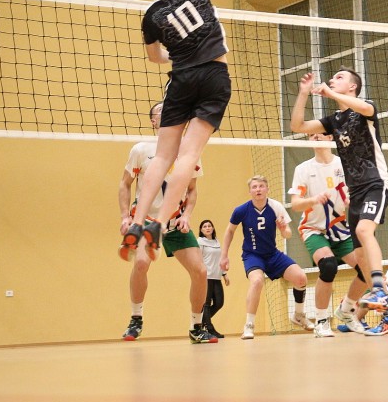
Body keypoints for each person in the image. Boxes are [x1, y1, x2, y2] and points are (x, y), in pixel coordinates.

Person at [119, 0, 231, 263]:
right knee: (188, 155)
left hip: (181, 79)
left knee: (162, 156)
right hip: (214, 75)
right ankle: (159, 224)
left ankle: (138, 221)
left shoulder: (151, 16)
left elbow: (155, 58)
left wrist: (173, 54)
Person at [290, 68, 388, 337]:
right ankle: (352, 309)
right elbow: (298, 126)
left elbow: (364, 108)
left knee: (364, 230)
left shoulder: (366, 108)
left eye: (339, 77)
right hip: (356, 192)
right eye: (332, 78)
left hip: (375, 183)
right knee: (361, 259)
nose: (333, 80)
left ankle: (379, 290)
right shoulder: (334, 121)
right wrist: (303, 94)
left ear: (352, 87)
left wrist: (328, 93)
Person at [118, 102, 216, 343]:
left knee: (201, 271)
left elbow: (192, 189)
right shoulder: (141, 149)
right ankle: (136, 319)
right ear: (153, 122)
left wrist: (187, 216)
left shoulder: (190, 150)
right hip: (147, 221)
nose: (166, 111)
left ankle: (196, 327)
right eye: (159, 111)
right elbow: (125, 184)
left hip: (174, 223)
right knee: (141, 263)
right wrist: (125, 216)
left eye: (168, 108)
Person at [288, 132, 371, 338]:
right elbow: (296, 204)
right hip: (313, 229)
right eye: (311, 135)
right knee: (328, 266)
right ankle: (322, 321)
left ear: (330, 138)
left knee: (367, 269)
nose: (315, 137)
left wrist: (353, 202)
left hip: (341, 228)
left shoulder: (344, 164)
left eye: (320, 134)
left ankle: (346, 309)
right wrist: (313, 199)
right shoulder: (303, 169)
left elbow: (355, 193)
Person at [221, 176, 308, 340]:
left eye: (261, 186)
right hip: (252, 255)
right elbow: (230, 231)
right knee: (257, 281)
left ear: (267, 189)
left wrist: (282, 228)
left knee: (301, 278)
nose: (258, 189)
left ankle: (298, 315)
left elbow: (288, 234)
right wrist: (224, 255)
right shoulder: (241, 210)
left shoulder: (276, 206)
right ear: (250, 191)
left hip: (272, 254)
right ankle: (249, 326)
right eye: (254, 187)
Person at [197, 219, 229, 338]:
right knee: (206, 304)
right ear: (201, 230)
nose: (207, 228)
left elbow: (221, 259)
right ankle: (209, 328)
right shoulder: (200, 241)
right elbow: (198, 259)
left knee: (219, 303)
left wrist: (224, 274)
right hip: (206, 277)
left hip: (216, 276)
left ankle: (200, 322)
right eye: (204, 226)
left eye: (209, 226)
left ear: (213, 228)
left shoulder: (217, 242)